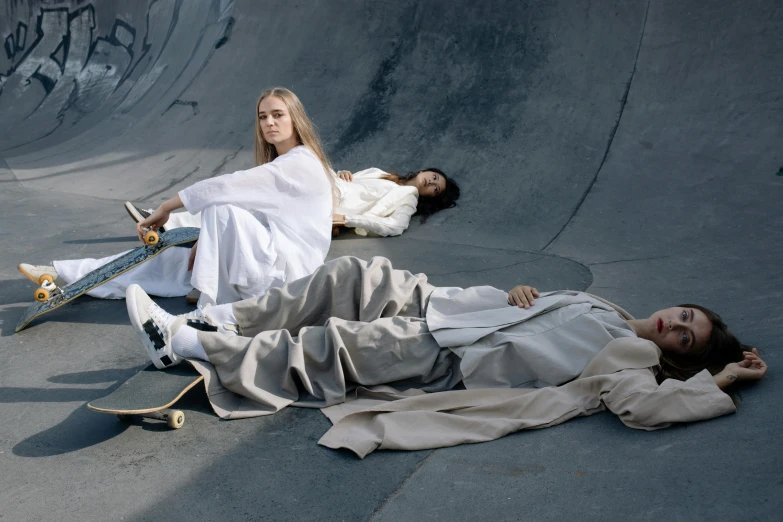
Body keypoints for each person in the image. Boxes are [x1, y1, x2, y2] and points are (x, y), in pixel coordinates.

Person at [124, 256, 767, 456]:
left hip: (448, 356)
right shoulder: (610, 309)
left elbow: (643, 410)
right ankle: (222, 316)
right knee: (350, 274)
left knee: (337, 345)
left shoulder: (631, 366)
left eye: (686, 338)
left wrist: (724, 377)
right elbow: (531, 306)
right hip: (452, 307)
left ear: (681, 359)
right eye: (685, 316)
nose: (674, 326)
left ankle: (184, 345)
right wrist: (518, 294)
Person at [17, 88, 335, 308]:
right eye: (263, 116)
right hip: (268, 264)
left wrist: (167, 207)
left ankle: (211, 308)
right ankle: (66, 274)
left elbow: (227, 187)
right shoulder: (286, 164)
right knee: (165, 264)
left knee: (220, 206)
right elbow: (258, 211)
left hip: (288, 278)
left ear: (295, 119)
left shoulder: (300, 164)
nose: (269, 123)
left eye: (278, 115)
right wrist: (210, 238)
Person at [124, 166, 461, 238]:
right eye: (434, 176)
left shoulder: (408, 197)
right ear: (425, 169)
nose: (431, 182)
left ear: (431, 197)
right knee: (254, 193)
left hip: (327, 208)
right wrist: (347, 174)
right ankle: (170, 219)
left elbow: (394, 226)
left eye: (436, 188)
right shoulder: (385, 174)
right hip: (326, 186)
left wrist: (347, 218)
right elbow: (358, 184)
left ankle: (172, 223)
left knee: (256, 209)